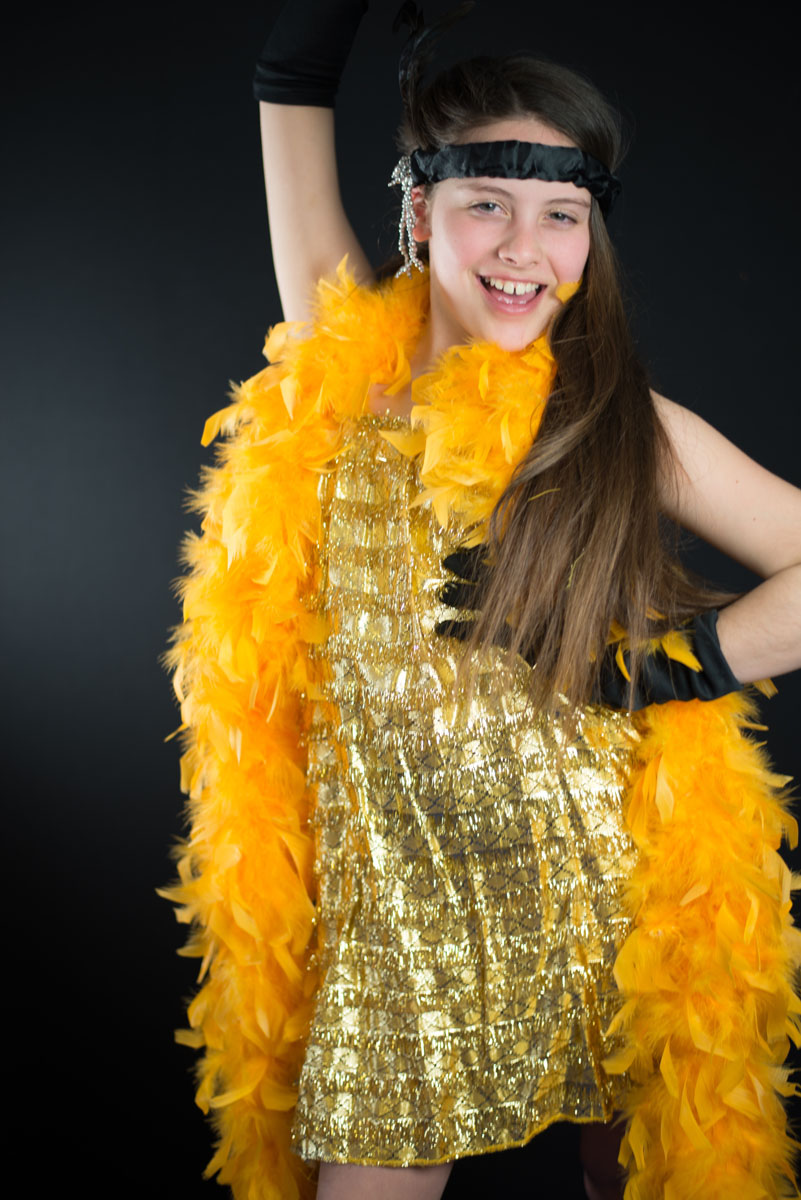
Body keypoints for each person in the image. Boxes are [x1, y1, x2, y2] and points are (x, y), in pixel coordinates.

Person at [165, 3, 801, 1199]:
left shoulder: (618, 425)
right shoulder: (349, 371)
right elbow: (289, 79)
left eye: (561, 214)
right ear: (418, 213)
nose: (525, 248)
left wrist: (665, 666)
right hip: (404, 924)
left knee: (645, 1170)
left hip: (608, 902)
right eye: (486, 205)